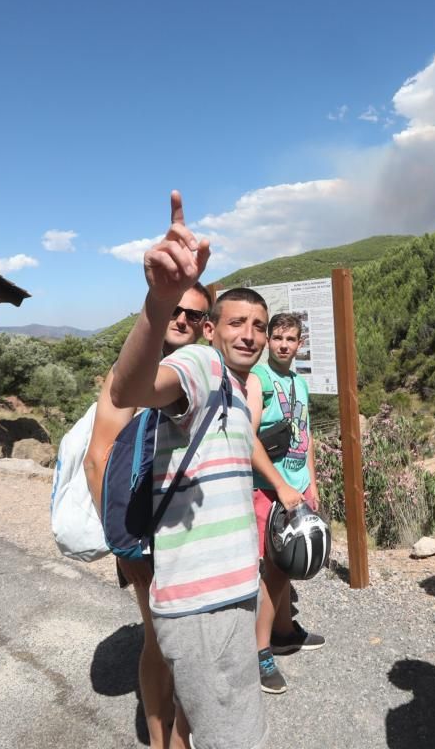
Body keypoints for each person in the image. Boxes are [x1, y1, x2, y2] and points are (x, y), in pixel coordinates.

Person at [108, 191, 268, 749]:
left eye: (260, 326)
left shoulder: (238, 390)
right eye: (236, 323)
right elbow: (130, 389)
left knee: (201, 722)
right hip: (205, 601)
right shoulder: (201, 367)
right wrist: (159, 302)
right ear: (210, 331)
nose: (249, 334)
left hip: (223, 593)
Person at [82, 280, 211, 749]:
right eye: (174, 309)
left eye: (193, 314)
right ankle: (165, 743)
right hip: (147, 541)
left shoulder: (197, 372)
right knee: (160, 645)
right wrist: (122, 548)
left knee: (192, 644)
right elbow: (96, 460)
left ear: (204, 324)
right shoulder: (131, 374)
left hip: (193, 537)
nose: (181, 319)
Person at [246, 313, 325, 695]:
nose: (282, 345)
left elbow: (304, 433)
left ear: (300, 343)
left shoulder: (299, 383)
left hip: (297, 487)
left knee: (288, 566)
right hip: (269, 489)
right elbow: (249, 437)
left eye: (290, 339)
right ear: (268, 340)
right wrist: (280, 486)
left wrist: (311, 482)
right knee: (273, 571)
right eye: (276, 337)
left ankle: (283, 631)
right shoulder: (259, 379)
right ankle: (262, 652)